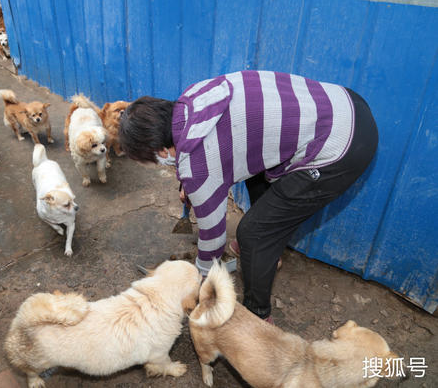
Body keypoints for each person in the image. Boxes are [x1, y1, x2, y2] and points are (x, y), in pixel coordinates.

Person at [119, 71, 378, 321]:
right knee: (255, 173)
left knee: (254, 234)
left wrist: (201, 278)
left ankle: (259, 316)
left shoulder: (198, 167)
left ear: (162, 152)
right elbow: (221, 155)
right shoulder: (193, 98)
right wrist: (191, 179)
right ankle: (266, 256)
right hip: (342, 102)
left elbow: (213, 236)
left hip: (343, 146)